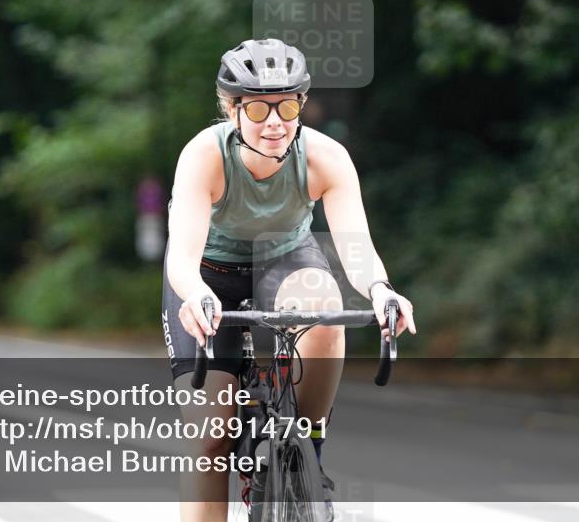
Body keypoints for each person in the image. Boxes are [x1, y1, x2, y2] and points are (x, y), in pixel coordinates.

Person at [162, 38, 417, 522]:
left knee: (323, 302)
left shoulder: (326, 157)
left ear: (302, 104)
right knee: (208, 434)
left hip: (285, 261)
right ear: (231, 109)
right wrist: (195, 295)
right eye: (258, 108)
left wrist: (382, 290)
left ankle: (308, 445)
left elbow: (356, 247)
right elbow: (183, 257)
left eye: (288, 105)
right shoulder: (204, 155)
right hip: (209, 274)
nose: (275, 122)